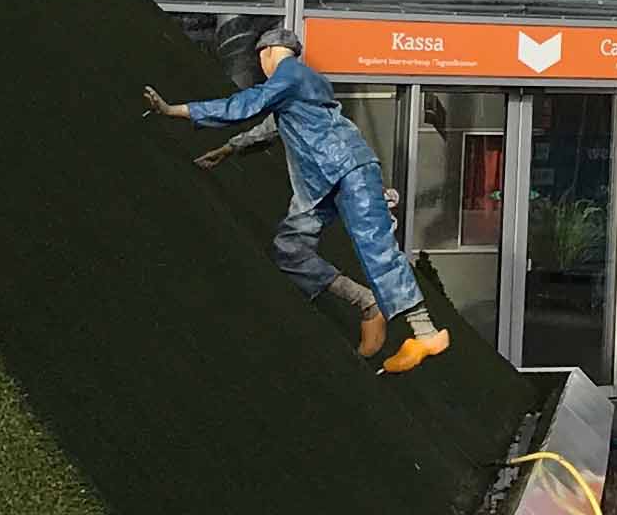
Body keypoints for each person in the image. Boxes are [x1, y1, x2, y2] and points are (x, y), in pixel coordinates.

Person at [145, 23, 453, 376]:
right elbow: (275, 124)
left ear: (268, 52)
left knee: (375, 245)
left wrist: (175, 111)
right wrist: (230, 148)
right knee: (290, 248)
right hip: (322, 178)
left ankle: (425, 331)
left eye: (260, 58)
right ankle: (366, 302)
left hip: (345, 169)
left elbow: (245, 105)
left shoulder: (289, 75)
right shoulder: (301, 82)